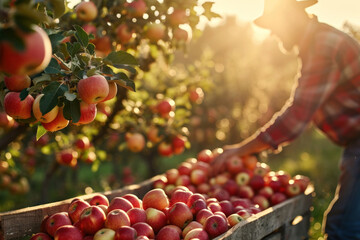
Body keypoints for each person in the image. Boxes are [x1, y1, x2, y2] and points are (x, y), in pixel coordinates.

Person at [211, 0, 360, 239]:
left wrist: (240, 150)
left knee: (342, 227)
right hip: (355, 142)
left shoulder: (324, 46)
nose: (273, 32)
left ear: (291, 16)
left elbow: (297, 116)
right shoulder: (317, 44)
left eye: (274, 24)